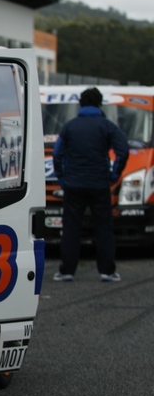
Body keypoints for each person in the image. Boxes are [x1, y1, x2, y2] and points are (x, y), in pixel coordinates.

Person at [53, 87, 129, 282]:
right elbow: (123, 150)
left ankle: (67, 271)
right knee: (103, 227)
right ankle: (107, 271)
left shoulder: (69, 126)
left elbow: (57, 154)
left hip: (73, 184)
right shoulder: (107, 126)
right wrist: (114, 175)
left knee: (71, 227)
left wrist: (62, 179)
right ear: (100, 104)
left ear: (81, 104)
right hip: (99, 184)